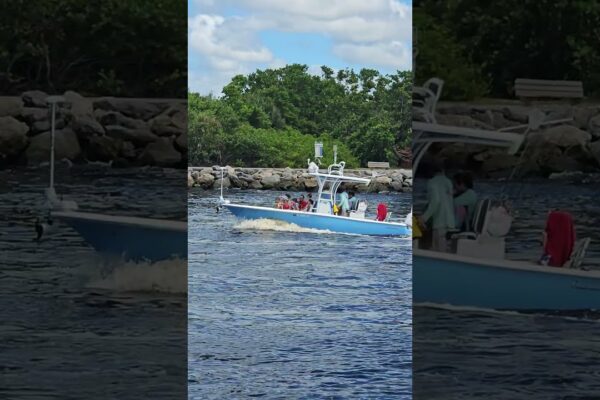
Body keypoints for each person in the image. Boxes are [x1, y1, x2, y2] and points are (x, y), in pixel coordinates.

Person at [419, 160, 455, 252]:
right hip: (450, 223)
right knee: (446, 253)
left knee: (438, 251)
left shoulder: (432, 182)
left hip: (440, 224)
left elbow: (436, 202)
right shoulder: (448, 182)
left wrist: (424, 218)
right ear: (443, 170)